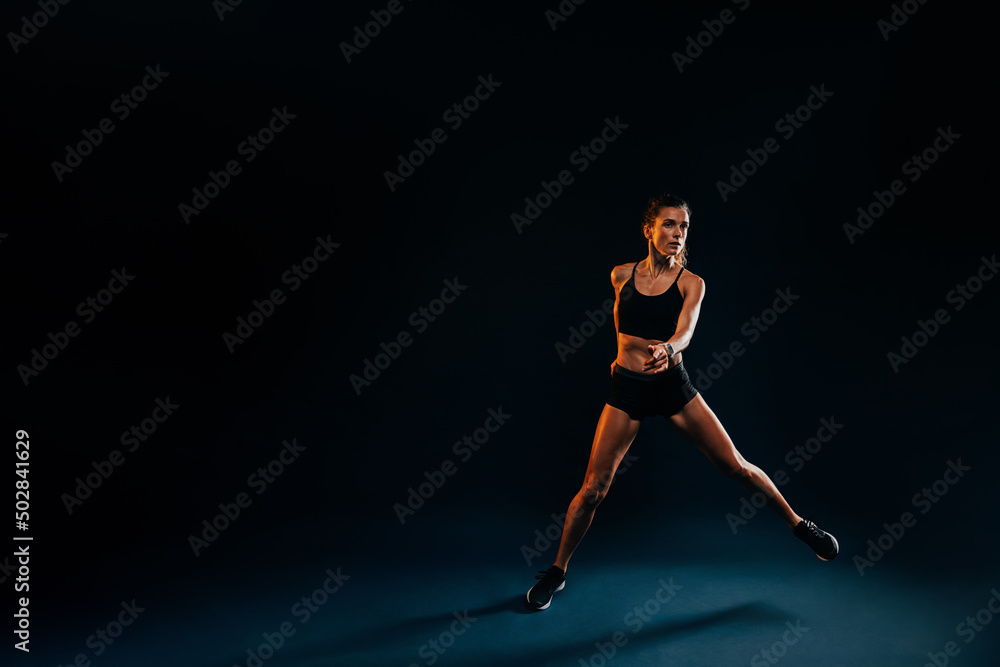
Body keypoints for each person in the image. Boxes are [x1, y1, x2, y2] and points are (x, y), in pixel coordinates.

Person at [525, 194, 838, 611]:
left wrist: (670, 349)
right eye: (669, 224)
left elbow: (687, 329)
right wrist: (623, 362)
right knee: (593, 490)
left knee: (737, 468)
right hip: (627, 390)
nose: (677, 233)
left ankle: (800, 525)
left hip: (672, 385)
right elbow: (624, 331)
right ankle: (557, 572)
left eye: (683, 227)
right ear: (649, 229)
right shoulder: (620, 275)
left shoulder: (692, 282)